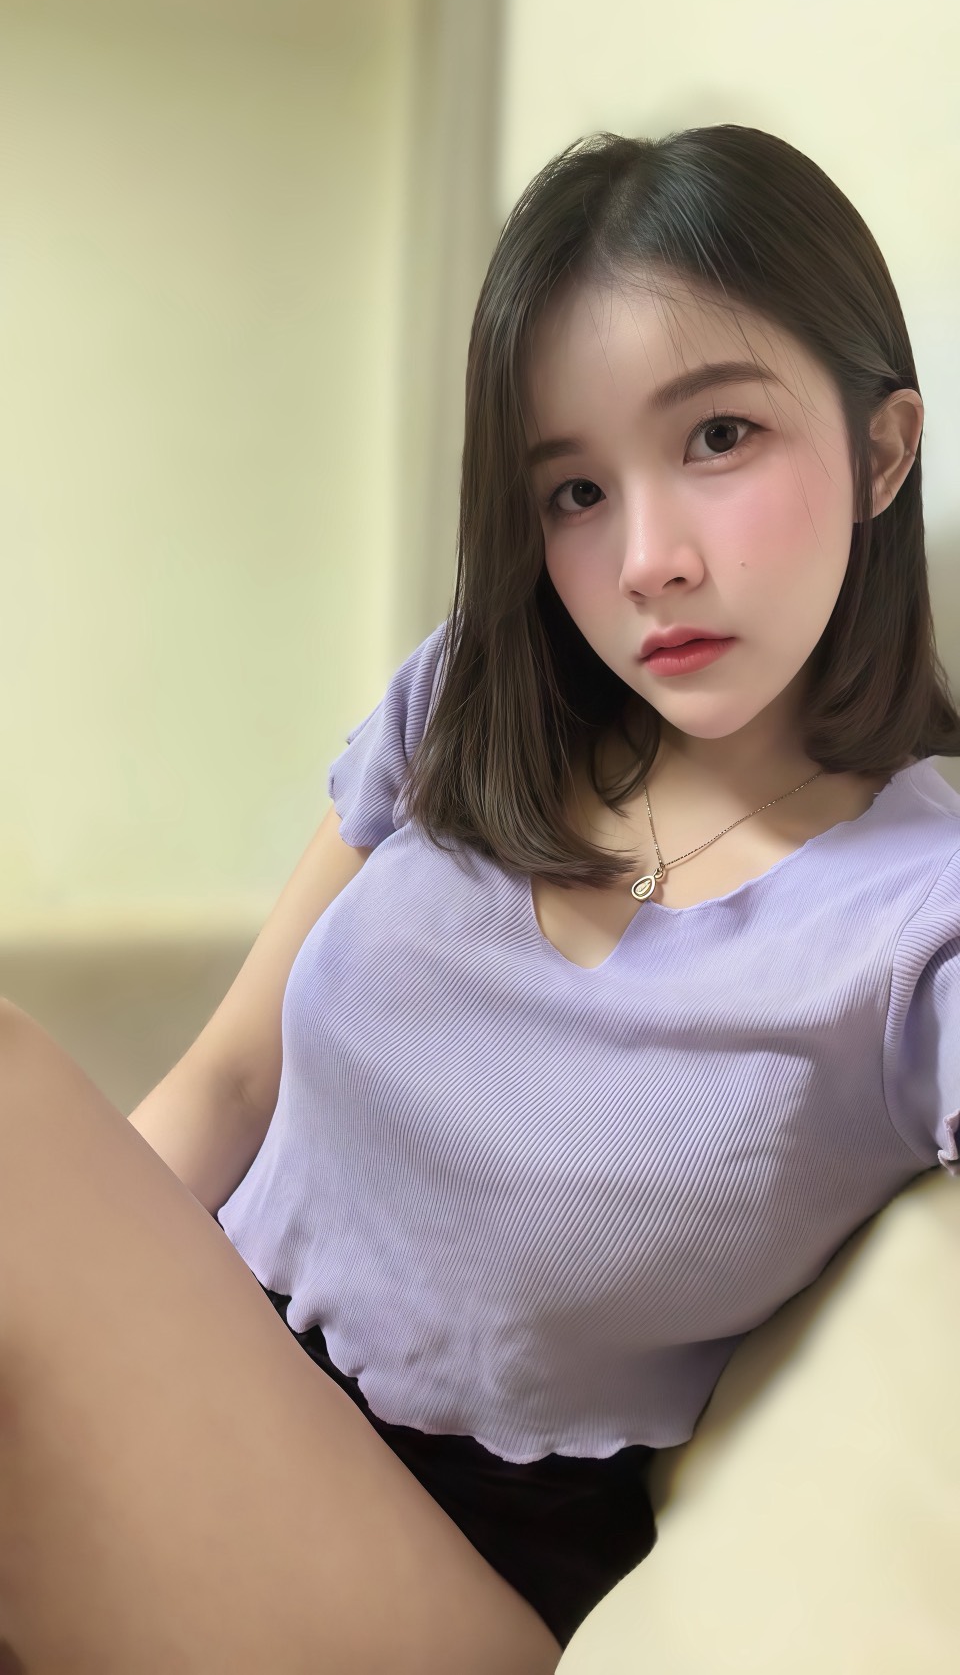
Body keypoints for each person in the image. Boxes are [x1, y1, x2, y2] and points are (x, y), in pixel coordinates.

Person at [0, 125, 957, 1675]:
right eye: (575, 489)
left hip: (441, 1571)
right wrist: (83, 1312)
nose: (646, 559)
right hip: (209, 1367)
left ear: (884, 449)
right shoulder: (477, 702)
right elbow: (229, 1080)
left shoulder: (918, 916)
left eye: (718, 436)